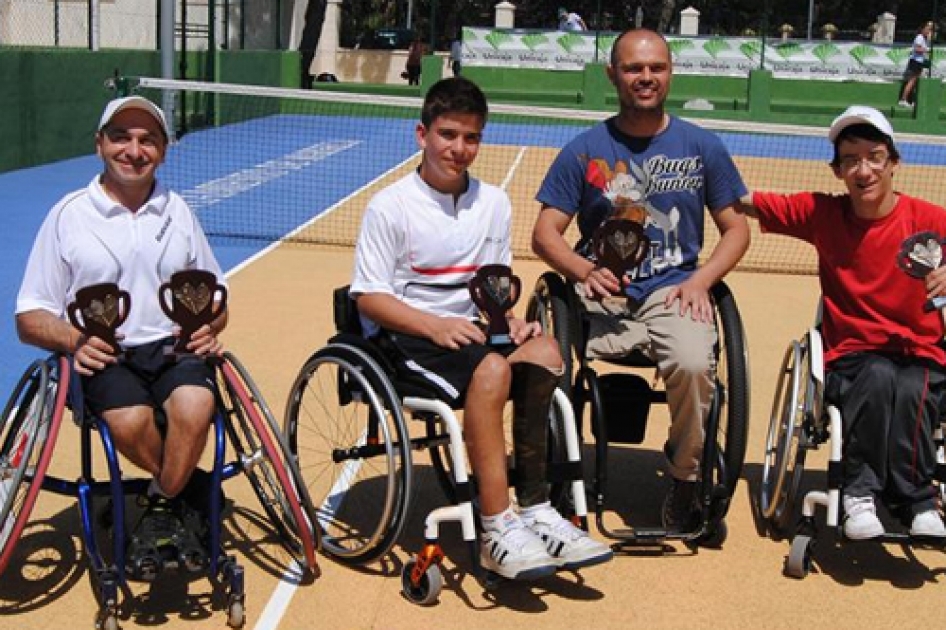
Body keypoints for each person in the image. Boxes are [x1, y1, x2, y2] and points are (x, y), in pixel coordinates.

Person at [350, 77, 613, 580]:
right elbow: (369, 295)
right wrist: (435, 325)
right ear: (421, 134)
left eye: (471, 137)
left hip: (473, 332)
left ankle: (537, 509)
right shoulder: (390, 205)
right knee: (492, 370)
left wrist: (511, 322)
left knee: (546, 352)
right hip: (408, 336)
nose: (459, 149)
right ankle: (496, 526)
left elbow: (493, 288)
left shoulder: (493, 203)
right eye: (448, 135)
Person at [532, 28, 750, 533]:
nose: (645, 78)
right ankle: (555, 474)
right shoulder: (585, 150)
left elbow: (736, 229)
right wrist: (583, 270)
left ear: (670, 72)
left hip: (674, 292)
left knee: (696, 363)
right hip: (600, 299)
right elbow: (546, 233)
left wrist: (702, 281)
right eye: (633, 68)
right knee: (540, 360)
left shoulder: (702, 146)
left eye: (656, 68)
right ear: (613, 75)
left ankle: (684, 475)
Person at [15, 95, 227, 577]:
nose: (134, 150)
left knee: (197, 407)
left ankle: (159, 499)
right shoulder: (67, 216)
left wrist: (210, 327)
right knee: (129, 422)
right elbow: (29, 317)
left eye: (147, 139)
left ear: (163, 151)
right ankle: (184, 491)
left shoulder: (179, 212)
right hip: (103, 353)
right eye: (122, 137)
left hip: (173, 349)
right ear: (99, 145)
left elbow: (218, 297)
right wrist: (73, 340)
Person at [737, 105, 946, 541]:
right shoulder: (823, 214)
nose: (863, 169)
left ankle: (919, 500)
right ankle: (860, 494)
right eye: (851, 160)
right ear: (837, 171)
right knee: (877, 374)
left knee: (912, 385)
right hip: (852, 355)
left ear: (894, 163)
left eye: (874, 157)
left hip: (921, 353)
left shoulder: (931, 221)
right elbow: (746, 200)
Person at [898, 21, 933, 107]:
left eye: (930, 30)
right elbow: (917, 49)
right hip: (915, 61)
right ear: (922, 29)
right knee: (911, 81)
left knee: (914, 82)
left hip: (919, 62)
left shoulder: (924, 39)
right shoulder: (919, 37)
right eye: (927, 29)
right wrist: (927, 50)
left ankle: (910, 100)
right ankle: (903, 99)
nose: (929, 31)